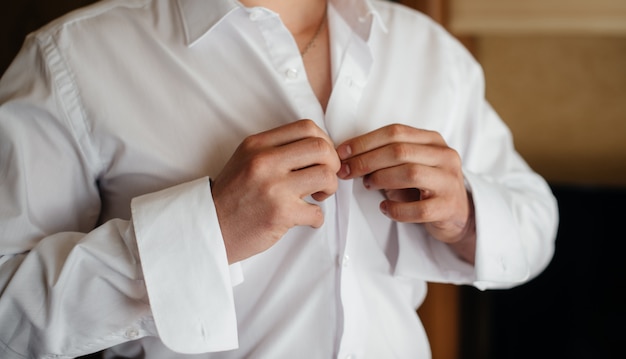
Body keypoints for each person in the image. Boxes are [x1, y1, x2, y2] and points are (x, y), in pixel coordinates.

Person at [0, 0, 558, 357]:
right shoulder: (72, 58)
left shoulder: (432, 52)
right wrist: (207, 232)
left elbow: (536, 226)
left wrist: (465, 215)